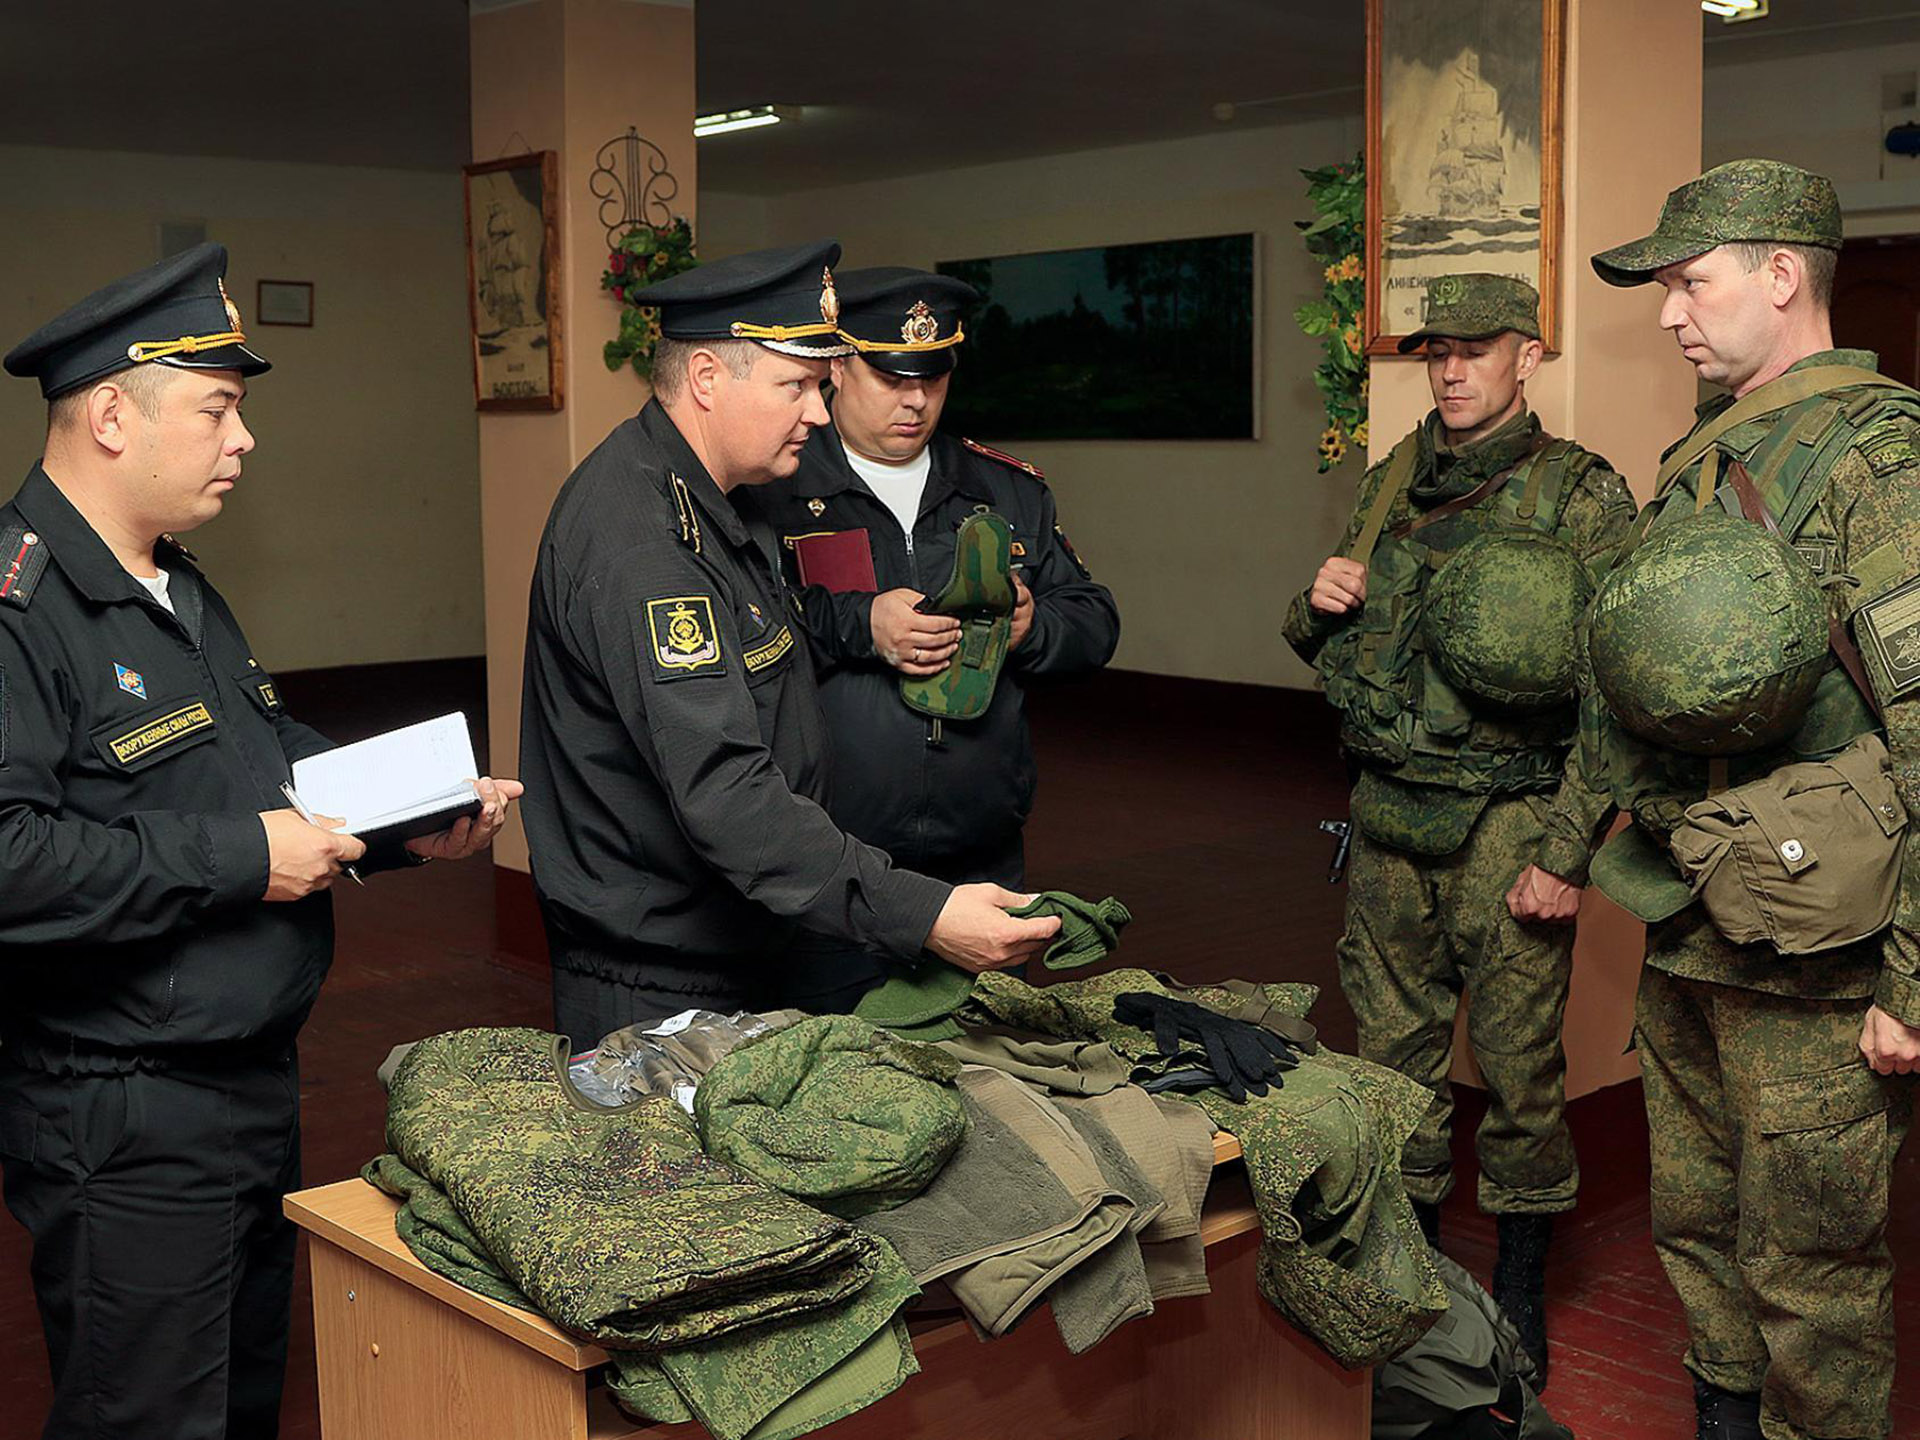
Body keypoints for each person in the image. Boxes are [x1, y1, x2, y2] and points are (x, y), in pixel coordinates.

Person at [0, 243, 521, 1440]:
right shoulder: (20, 610)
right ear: (111, 415)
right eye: (219, 409)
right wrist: (244, 858)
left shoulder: (175, 583)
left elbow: (257, 758)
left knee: (238, 1399)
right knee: (147, 1414)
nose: (245, 441)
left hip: (244, 1077)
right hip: (123, 1109)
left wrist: (403, 826)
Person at [518, 241, 1059, 1047]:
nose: (817, 409)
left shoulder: (719, 502)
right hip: (660, 981)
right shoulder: (643, 541)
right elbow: (727, 796)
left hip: (742, 943)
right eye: (797, 384)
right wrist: (925, 912)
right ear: (706, 378)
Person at [1586, 158, 1920, 1440]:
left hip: (1816, 965)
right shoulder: (1708, 454)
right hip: (1692, 922)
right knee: (1701, 1228)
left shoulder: (1880, 464)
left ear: (1783, 278)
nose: (1669, 314)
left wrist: (1913, 978)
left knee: (1814, 1280)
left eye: (1689, 282)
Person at [1283, 273, 1636, 1381]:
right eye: (1437, 350)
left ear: (1528, 356)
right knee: (1392, 1065)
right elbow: (1336, 642)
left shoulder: (1580, 496)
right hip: (1388, 813)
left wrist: (1568, 853)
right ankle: (1420, 1290)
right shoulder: (1392, 482)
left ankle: (1520, 1297)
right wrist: (1316, 604)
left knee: (1523, 1068)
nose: (1450, 370)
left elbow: (1619, 691)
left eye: (1476, 350)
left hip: (1509, 820)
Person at [746, 266, 1120, 1009]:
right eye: (890, 376)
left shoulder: (1005, 489)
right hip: (834, 865)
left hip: (979, 858)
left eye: (933, 377)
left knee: (987, 1081)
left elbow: (1096, 621)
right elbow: (746, 634)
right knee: (836, 1088)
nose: (915, 400)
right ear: (838, 368)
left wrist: (1033, 626)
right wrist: (862, 626)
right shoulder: (774, 488)